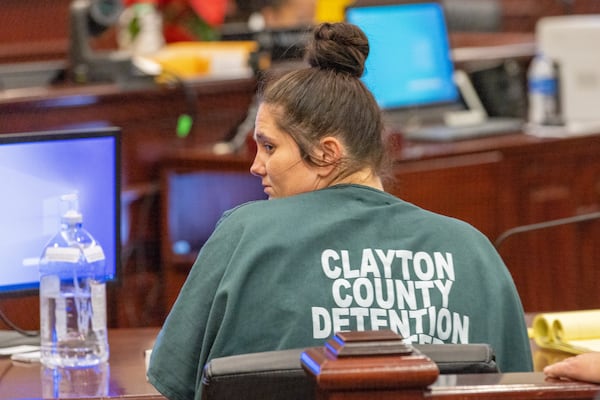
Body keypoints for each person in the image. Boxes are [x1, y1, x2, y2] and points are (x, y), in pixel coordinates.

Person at [147, 22, 533, 400]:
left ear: (327, 153)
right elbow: (524, 390)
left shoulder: (243, 232)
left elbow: (173, 383)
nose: (256, 166)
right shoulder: (473, 250)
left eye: (268, 147)